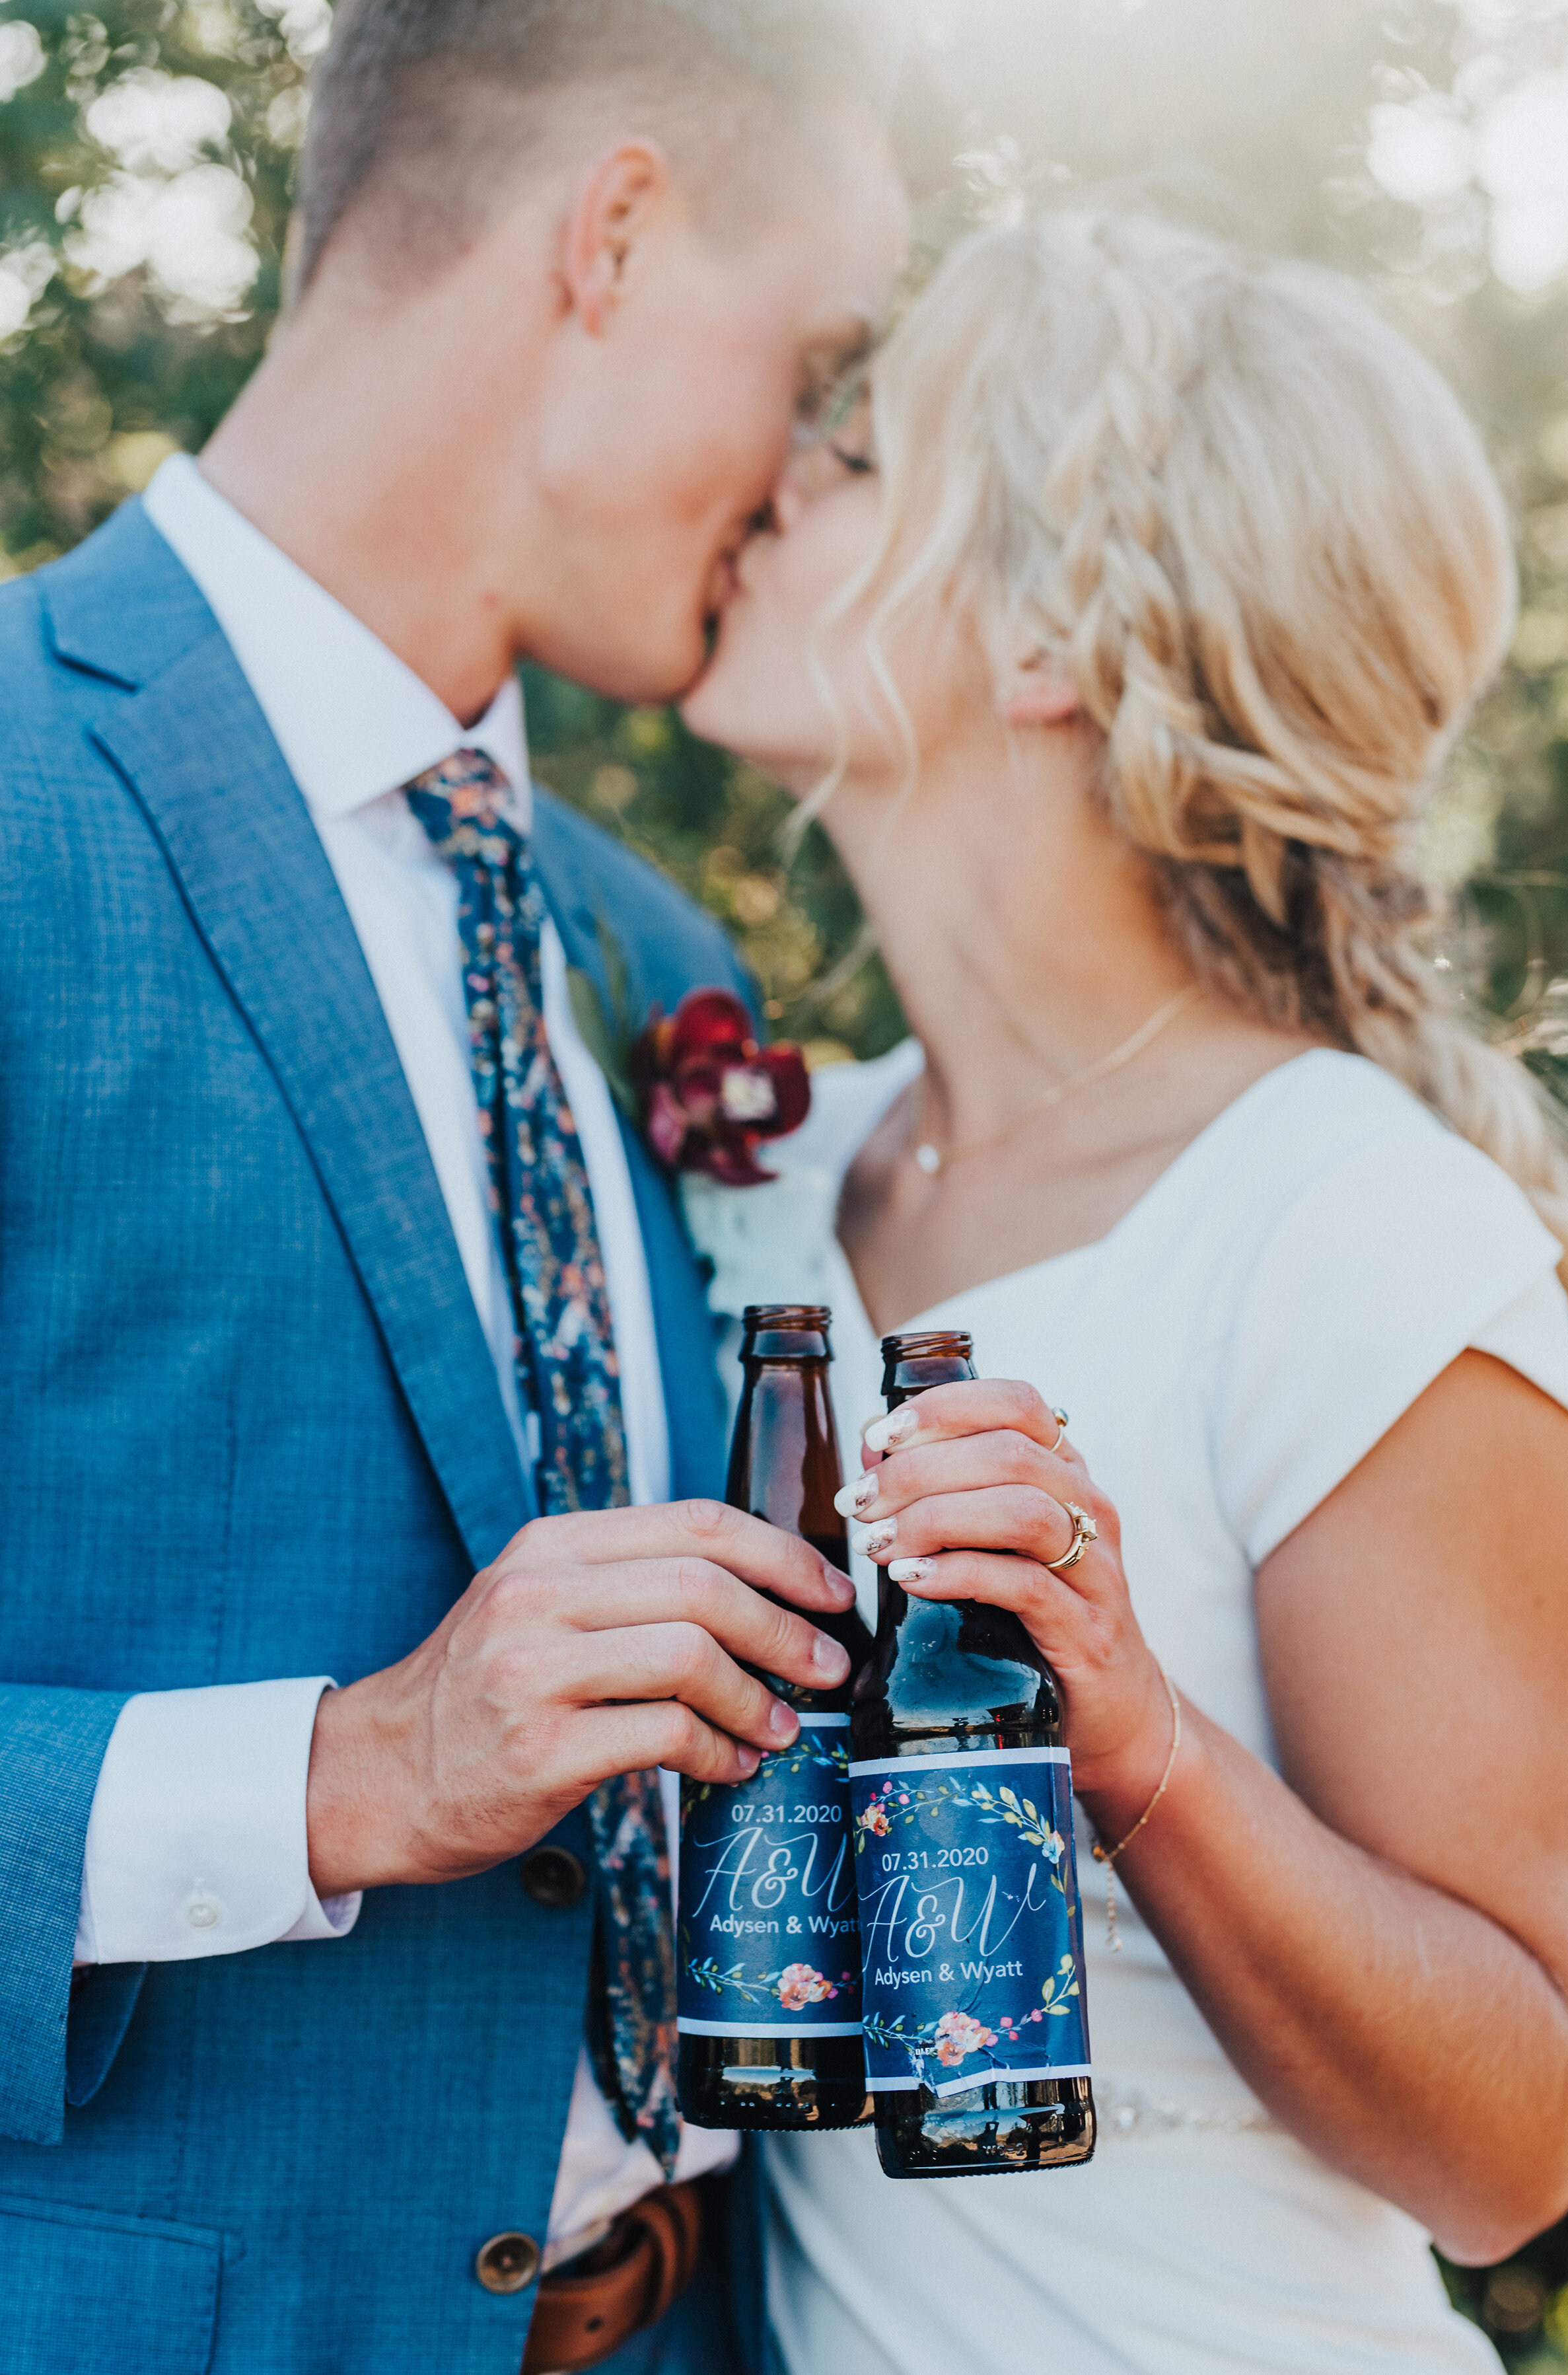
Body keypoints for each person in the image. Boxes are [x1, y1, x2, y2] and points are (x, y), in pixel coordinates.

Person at [0, 4, 909, 2370]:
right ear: (610, 236)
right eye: (812, 356)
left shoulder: (649, 953)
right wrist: (347, 1769)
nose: (813, 470)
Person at [680, 209, 1568, 2374]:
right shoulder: (782, 1173)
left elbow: (1519, 2144)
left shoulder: (1344, 1220)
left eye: (868, 457)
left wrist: (1141, 1739)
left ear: (1050, 637)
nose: (782, 478)